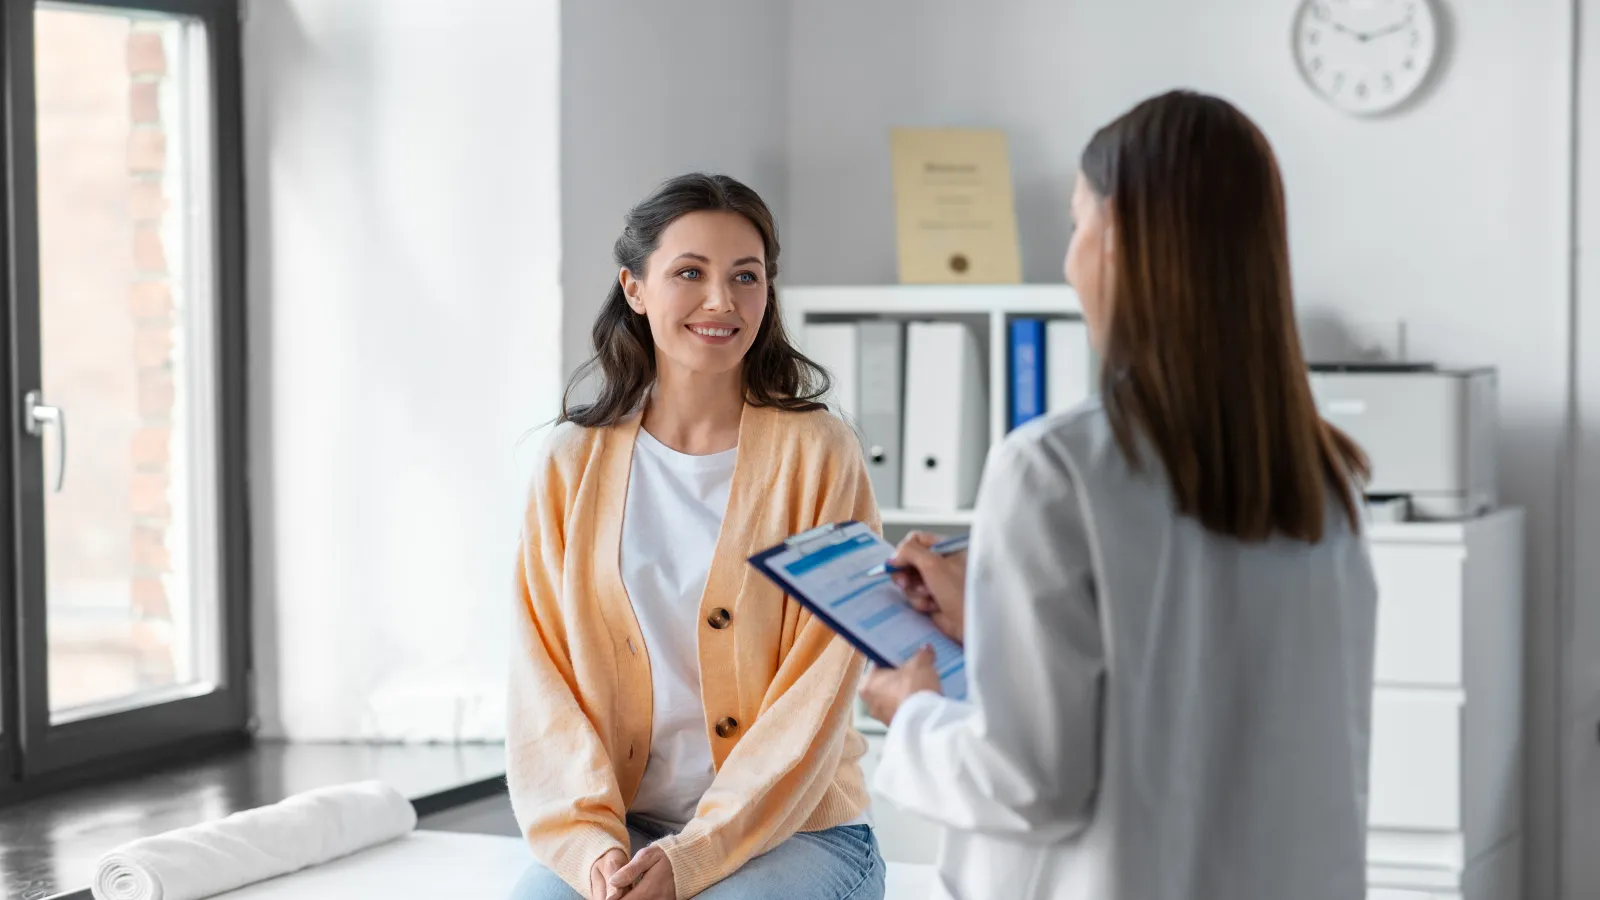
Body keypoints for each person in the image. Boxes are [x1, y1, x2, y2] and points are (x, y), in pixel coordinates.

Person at [858, 90, 1380, 900]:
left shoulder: (1054, 468)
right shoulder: (1322, 479)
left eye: (1077, 225)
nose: (1069, 261)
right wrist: (992, 624)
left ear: (1123, 239)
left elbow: (1028, 781)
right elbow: (1199, 676)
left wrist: (912, 712)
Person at [506, 173, 886, 900]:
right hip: (625, 831)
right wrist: (592, 853)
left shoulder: (820, 453)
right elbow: (541, 682)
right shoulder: (570, 462)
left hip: (800, 831)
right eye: (690, 273)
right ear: (635, 288)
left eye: (746, 276)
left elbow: (820, 687)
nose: (723, 301)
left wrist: (691, 861)